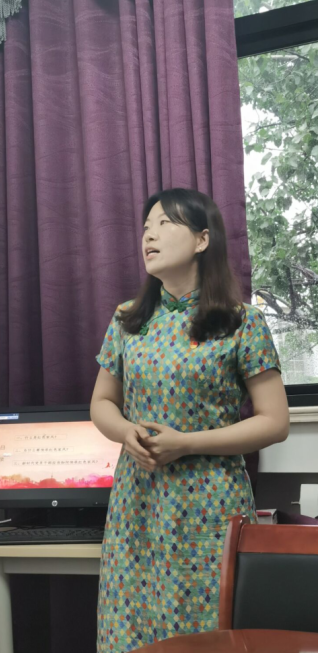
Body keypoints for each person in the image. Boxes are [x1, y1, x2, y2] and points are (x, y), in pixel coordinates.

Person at [91, 188, 289, 652]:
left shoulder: (242, 322)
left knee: (206, 630)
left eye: (164, 224)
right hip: (138, 501)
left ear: (202, 239)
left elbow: (274, 421)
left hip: (210, 501)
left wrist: (187, 442)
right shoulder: (127, 319)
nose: (149, 236)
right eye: (145, 228)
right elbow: (101, 402)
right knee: (132, 629)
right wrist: (126, 432)